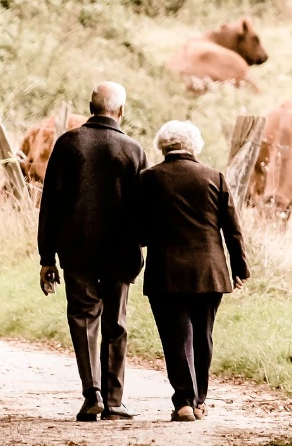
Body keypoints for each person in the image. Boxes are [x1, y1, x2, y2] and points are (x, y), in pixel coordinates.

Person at [37, 81, 149, 422]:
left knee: (84, 320)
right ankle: (115, 400)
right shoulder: (133, 150)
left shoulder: (68, 144)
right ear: (121, 111)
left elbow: (50, 205)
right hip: (121, 252)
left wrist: (47, 258)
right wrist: (141, 244)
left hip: (77, 251)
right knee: (116, 322)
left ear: (90, 106)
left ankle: (92, 396)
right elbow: (143, 209)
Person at [137, 120, 250, 422]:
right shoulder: (215, 178)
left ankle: (183, 402)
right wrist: (239, 268)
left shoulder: (149, 179)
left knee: (176, 337)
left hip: (166, 272)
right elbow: (233, 230)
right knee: (203, 335)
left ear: (162, 146)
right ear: (194, 146)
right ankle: (199, 401)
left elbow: (139, 230)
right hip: (210, 271)